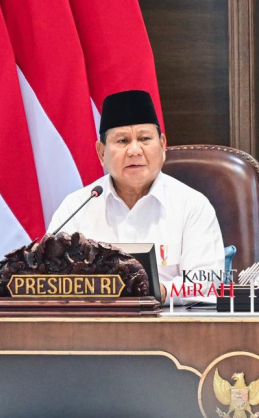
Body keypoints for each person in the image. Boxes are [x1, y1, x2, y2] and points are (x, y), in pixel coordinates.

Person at [47, 90, 225, 303]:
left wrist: (157, 291)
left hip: (169, 327)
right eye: (122, 141)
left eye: (144, 139)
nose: (134, 150)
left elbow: (208, 282)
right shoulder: (77, 206)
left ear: (162, 145)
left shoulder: (192, 205)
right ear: (101, 153)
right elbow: (51, 275)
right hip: (94, 327)